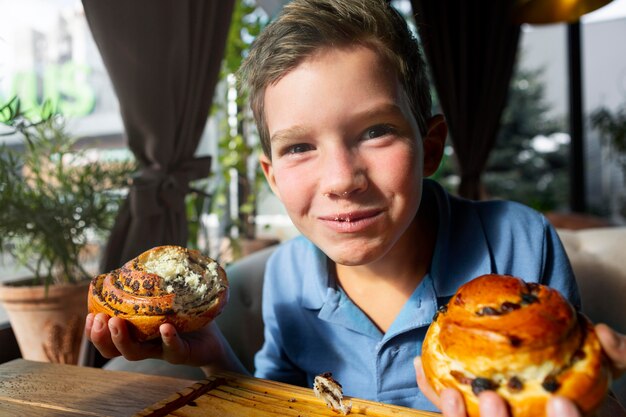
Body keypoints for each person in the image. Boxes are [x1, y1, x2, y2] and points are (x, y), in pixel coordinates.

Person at [85, 0, 626, 416]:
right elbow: (279, 402)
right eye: (299, 147)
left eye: (376, 132)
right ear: (272, 177)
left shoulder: (518, 242)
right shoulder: (289, 275)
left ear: (431, 146)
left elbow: (576, 388)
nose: (342, 180)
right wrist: (211, 352)